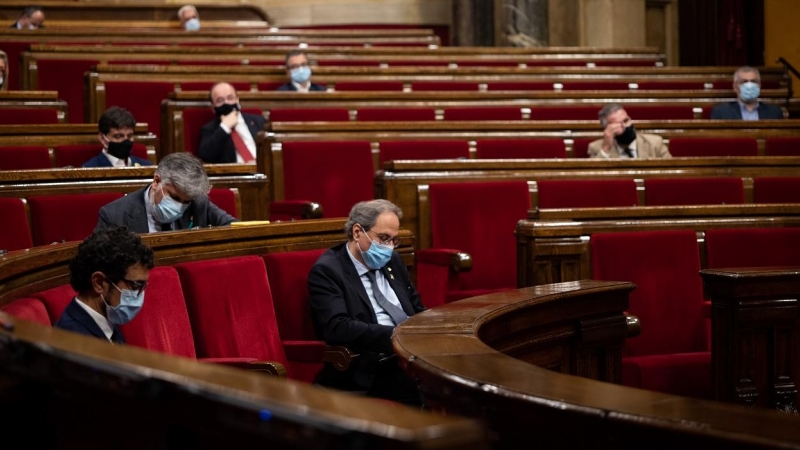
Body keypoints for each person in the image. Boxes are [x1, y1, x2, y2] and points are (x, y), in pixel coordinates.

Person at [308, 199, 426, 406]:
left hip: (411, 355)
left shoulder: (393, 261)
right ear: (357, 232)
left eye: (393, 240)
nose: (389, 247)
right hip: (371, 365)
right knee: (432, 391)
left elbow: (417, 309)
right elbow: (338, 327)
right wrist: (399, 335)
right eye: (383, 238)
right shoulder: (328, 271)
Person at [54, 226, 154, 343]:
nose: (141, 294)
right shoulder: (73, 341)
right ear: (99, 283)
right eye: (136, 285)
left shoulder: (106, 323)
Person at [94, 152, 236, 233]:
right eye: (174, 197)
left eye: (186, 202)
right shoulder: (114, 215)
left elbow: (235, 228)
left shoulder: (198, 203)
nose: (180, 207)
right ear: (156, 181)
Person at [197, 82, 266, 164]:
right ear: (213, 107)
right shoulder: (210, 129)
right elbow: (206, 156)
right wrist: (224, 127)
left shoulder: (258, 121)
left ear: (237, 99)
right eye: (220, 100)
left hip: (263, 168)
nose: (226, 103)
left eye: (230, 98)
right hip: (235, 174)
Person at [587, 103, 671, 159]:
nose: (625, 126)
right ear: (608, 130)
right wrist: (606, 148)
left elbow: (671, 171)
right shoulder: (596, 148)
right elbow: (595, 178)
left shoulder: (655, 143)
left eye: (626, 120)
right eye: (617, 124)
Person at [83, 106, 153, 168]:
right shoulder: (89, 169)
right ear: (102, 138)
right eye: (118, 136)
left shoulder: (147, 166)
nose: (126, 141)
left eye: (129, 136)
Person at [710, 66, 784, 120]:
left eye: (754, 81)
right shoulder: (721, 112)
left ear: (759, 86)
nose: (749, 85)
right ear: (735, 87)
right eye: (744, 82)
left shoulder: (774, 112)